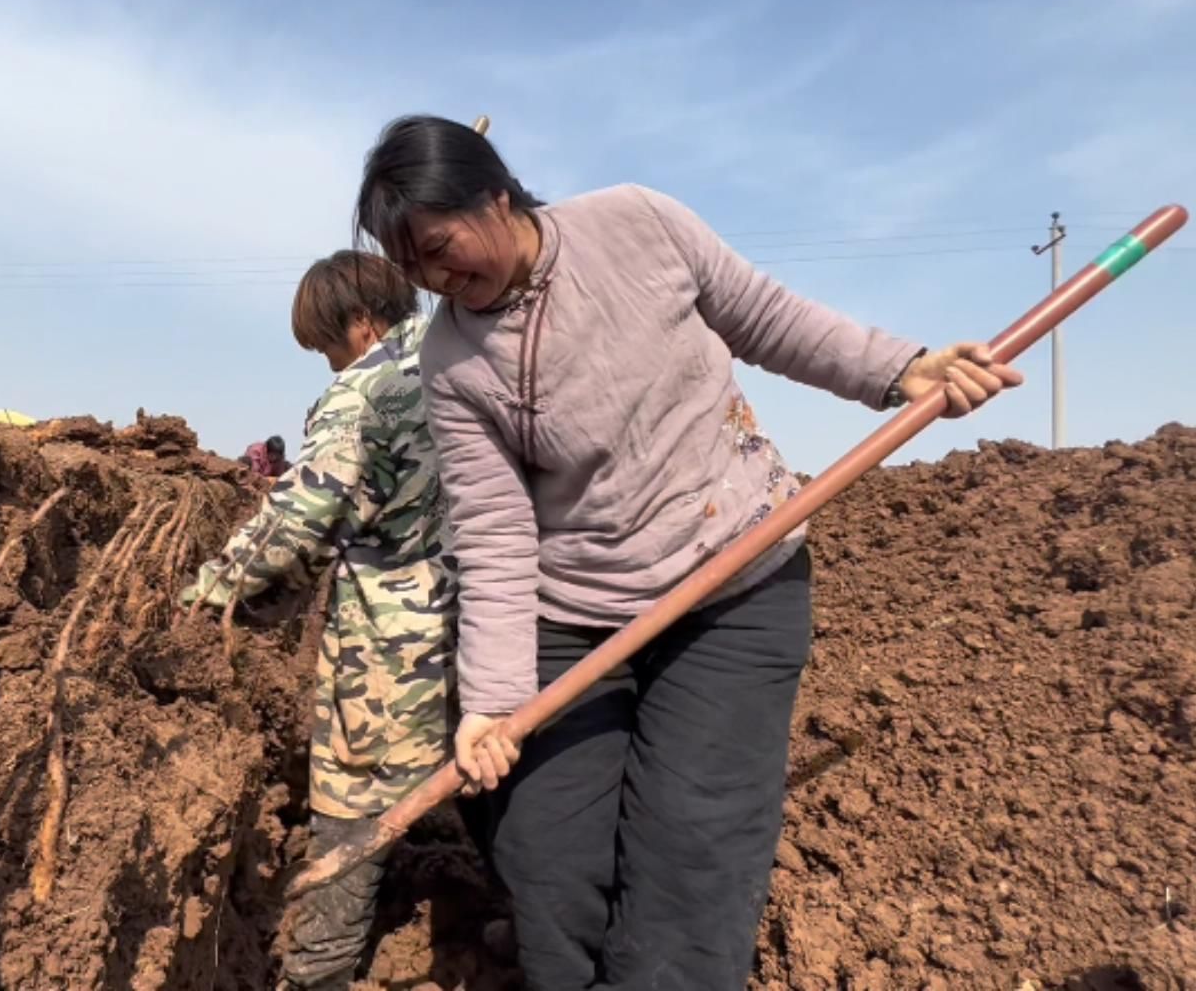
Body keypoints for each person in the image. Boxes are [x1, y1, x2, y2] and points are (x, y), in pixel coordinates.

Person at [354, 115, 1024, 989]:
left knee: (693, 848)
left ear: (496, 194)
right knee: (548, 851)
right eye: (415, 270)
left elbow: (769, 318)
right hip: (576, 613)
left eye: (443, 248)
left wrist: (903, 370)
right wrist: (489, 701)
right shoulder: (450, 357)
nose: (441, 279)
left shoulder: (637, 223)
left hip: (734, 583)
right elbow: (493, 528)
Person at [178, 250, 460, 990]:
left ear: (361, 326)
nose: (329, 364)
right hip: (486, 627)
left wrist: (207, 594)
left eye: (329, 347)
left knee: (353, 810)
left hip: (395, 647)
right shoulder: (456, 357)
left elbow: (303, 520)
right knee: (491, 784)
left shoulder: (362, 393)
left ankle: (317, 973)